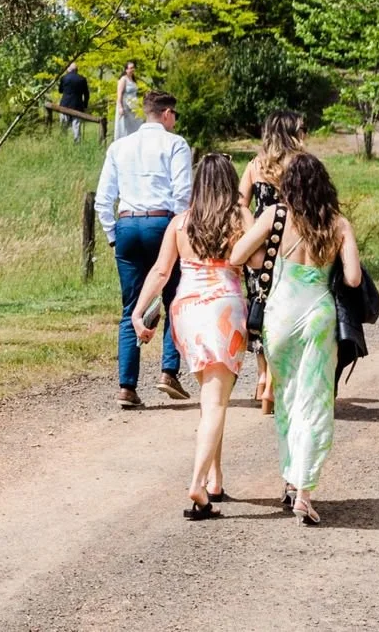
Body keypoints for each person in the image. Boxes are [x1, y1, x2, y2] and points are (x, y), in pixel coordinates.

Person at [231, 154, 362, 524]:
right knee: (316, 401)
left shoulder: (275, 215)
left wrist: (268, 260)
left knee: (287, 399)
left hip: (281, 314)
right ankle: (304, 492)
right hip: (319, 315)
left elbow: (239, 255)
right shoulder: (338, 224)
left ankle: (290, 481)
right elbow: (352, 279)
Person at [130, 152, 251, 518]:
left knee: (209, 398)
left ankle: (215, 478)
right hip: (224, 310)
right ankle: (198, 483)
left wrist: (139, 311)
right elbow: (257, 261)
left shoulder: (181, 223)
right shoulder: (240, 218)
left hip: (188, 311)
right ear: (230, 183)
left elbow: (160, 272)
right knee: (216, 402)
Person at [95, 89, 193, 407]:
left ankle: (127, 385)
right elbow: (182, 194)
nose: (175, 121)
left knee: (132, 306)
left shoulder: (119, 147)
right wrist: (180, 231)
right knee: (174, 297)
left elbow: (102, 199)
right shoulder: (175, 144)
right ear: (166, 114)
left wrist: (112, 235)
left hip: (126, 224)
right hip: (161, 223)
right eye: (174, 115)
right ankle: (168, 371)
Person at [239, 108, 308, 414]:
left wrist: (252, 227)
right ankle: (278, 380)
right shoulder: (301, 165)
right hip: (292, 242)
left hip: (261, 242)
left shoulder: (256, 165)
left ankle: (262, 375)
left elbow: (239, 201)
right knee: (288, 307)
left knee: (260, 305)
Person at [57, 62, 92, 142]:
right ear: (77, 70)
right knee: (76, 126)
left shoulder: (64, 78)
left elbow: (60, 90)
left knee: (63, 126)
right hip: (77, 105)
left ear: (69, 69)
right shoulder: (82, 79)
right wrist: (85, 105)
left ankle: (62, 142)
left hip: (65, 105)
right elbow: (86, 94)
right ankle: (77, 143)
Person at [113, 61, 144, 139]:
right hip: (125, 105)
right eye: (130, 68)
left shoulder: (133, 79)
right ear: (126, 70)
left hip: (134, 106)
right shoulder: (123, 79)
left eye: (133, 68)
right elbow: (119, 94)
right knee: (126, 127)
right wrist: (120, 107)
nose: (132, 69)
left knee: (137, 124)